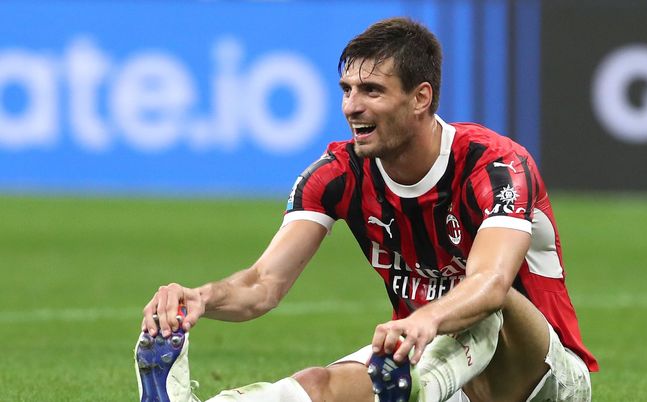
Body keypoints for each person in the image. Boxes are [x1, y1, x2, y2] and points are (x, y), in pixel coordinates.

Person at [135, 17, 598, 402]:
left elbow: (492, 283)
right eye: (346, 89)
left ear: (420, 98)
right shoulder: (336, 174)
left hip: (544, 378)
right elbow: (262, 285)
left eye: (372, 91)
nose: (352, 107)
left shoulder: (495, 165)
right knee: (317, 386)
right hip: (427, 358)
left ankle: (419, 388)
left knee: (485, 305)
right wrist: (202, 298)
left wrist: (426, 318)